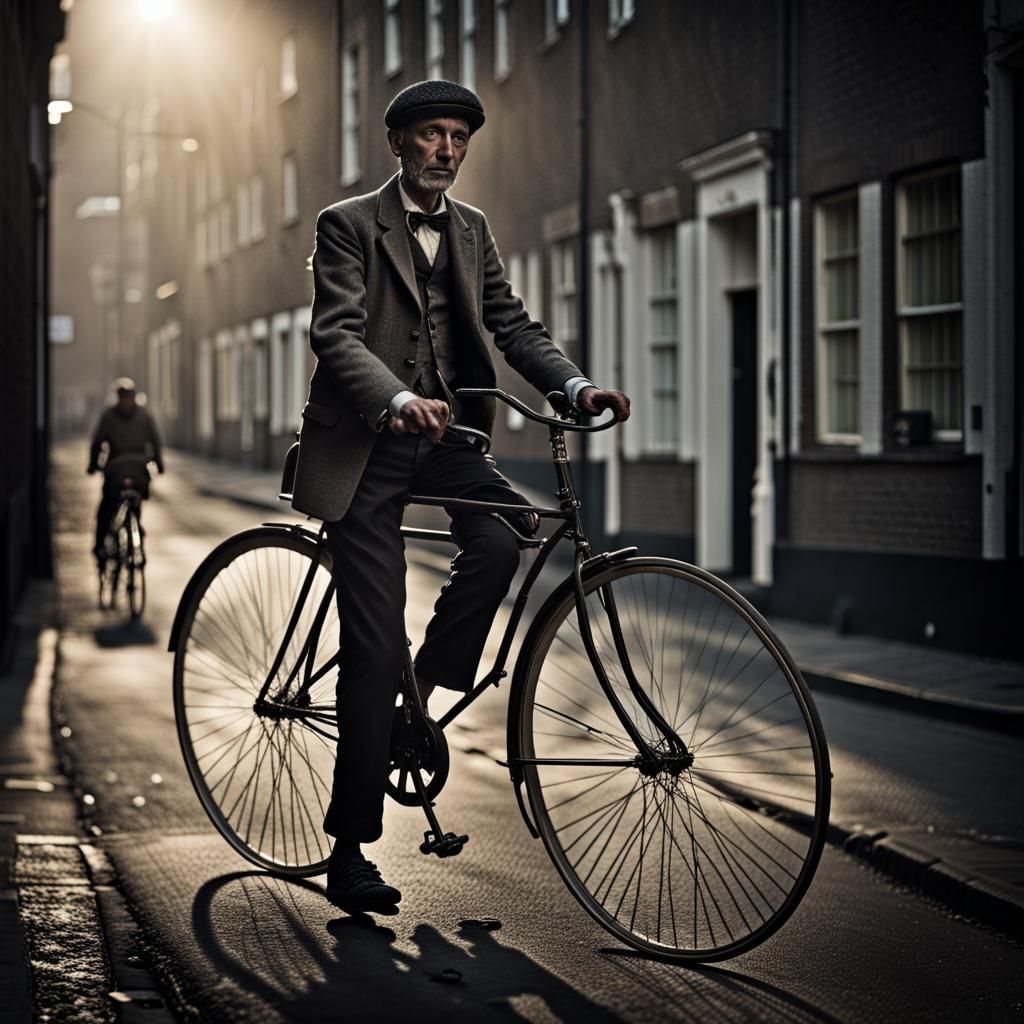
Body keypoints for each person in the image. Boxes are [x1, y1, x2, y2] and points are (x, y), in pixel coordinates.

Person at [290, 80, 630, 914]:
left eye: (459, 137)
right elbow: (334, 334)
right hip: (366, 450)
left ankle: (427, 693)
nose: (448, 149)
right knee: (372, 650)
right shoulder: (347, 225)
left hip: (444, 443)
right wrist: (396, 399)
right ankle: (350, 851)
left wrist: (574, 388)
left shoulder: (471, 231)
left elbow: (512, 327)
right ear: (399, 143)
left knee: (504, 540)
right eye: (433, 134)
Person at [87, 378, 164, 562]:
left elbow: (97, 443)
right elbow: (155, 442)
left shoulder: (108, 416)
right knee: (136, 498)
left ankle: (99, 546)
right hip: (139, 471)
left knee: (106, 508)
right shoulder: (145, 416)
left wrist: (93, 465)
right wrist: (158, 464)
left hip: (115, 471)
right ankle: (136, 527)